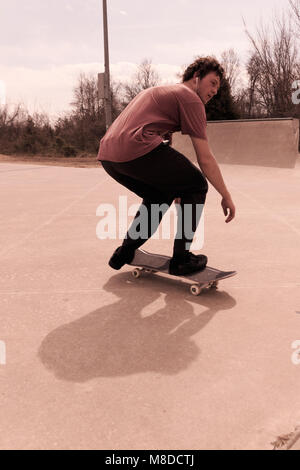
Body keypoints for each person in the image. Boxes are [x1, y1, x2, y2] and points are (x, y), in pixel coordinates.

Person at [97, 56, 236, 276]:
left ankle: (125, 251)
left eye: (218, 87)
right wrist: (225, 195)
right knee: (197, 185)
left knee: (158, 197)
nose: (215, 91)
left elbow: (162, 142)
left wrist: (176, 187)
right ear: (197, 77)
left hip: (109, 156)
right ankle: (182, 260)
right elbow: (205, 157)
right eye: (213, 83)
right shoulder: (191, 99)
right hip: (136, 148)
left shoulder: (161, 93)